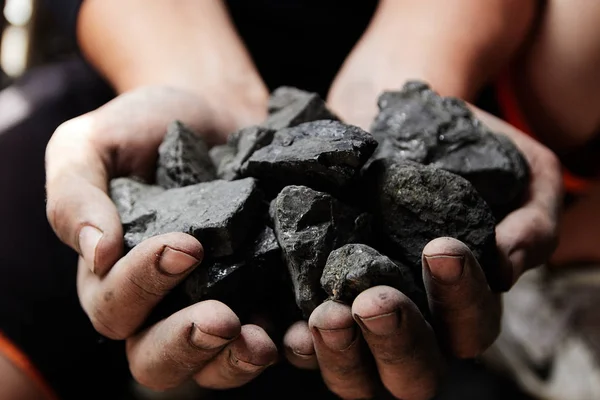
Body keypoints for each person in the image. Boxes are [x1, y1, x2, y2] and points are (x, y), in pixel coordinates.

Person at [6, 0, 597, 398]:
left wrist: (414, 66)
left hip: (482, 59)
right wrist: (197, 80)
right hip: (150, 63)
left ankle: (551, 273)